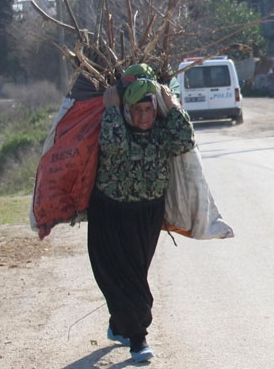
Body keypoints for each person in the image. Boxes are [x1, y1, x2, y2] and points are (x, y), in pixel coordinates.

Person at [87, 64, 195, 363]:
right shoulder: (116, 128)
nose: (144, 117)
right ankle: (138, 338)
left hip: (147, 213)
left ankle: (120, 324)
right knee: (117, 276)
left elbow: (185, 140)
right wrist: (110, 108)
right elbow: (112, 144)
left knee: (135, 274)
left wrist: (173, 107)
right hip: (109, 212)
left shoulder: (162, 134)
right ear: (126, 111)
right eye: (137, 110)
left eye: (149, 110)